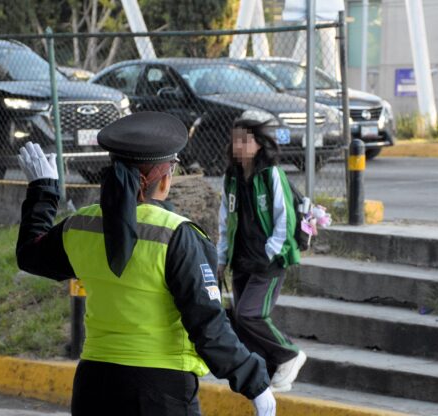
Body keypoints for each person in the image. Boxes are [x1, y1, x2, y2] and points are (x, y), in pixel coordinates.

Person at [15, 111, 276, 416]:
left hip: (93, 388)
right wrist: (255, 383)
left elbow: (30, 253)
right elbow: (208, 325)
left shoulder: (81, 226)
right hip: (161, 392)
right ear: (164, 178)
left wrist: (43, 189)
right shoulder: (177, 235)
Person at [216, 117, 306, 393]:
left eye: (245, 140)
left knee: (250, 314)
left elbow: (285, 219)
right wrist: (221, 258)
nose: (239, 145)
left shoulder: (271, 174)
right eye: (235, 140)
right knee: (241, 322)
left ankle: (289, 354)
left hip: (269, 260)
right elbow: (225, 221)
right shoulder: (231, 178)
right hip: (241, 260)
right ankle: (266, 373)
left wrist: (270, 252)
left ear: (258, 144)